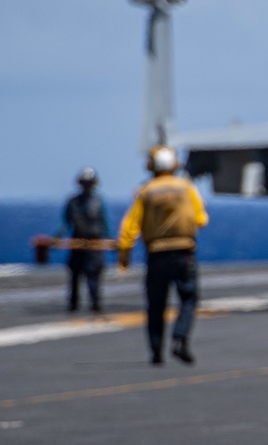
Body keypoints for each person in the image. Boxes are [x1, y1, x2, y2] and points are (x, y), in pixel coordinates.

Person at [117, 146, 209, 366]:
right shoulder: (186, 188)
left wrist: (124, 256)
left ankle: (156, 352)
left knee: (156, 304)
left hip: (156, 254)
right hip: (184, 252)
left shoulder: (146, 191)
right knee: (188, 299)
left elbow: (130, 227)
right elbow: (201, 219)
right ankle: (180, 338)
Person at [57, 167, 111, 312]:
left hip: (94, 243)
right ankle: (73, 303)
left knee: (93, 275)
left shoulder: (98, 201)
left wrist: (112, 240)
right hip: (78, 243)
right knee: (75, 274)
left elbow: (104, 222)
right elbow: (66, 222)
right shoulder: (73, 202)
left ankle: (95, 303)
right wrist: (56, 237)